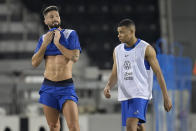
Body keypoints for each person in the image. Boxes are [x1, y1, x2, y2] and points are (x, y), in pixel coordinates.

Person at [104, 19, 172, 131]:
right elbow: (115, 72)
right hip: (125, 95)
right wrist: (108, 86)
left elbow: (159, 73)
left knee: (130, 126)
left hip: (140, 94)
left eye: (122, 32)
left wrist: (166, 97)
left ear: (131, 32)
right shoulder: (117, 50)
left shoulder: (146, 49)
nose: (118, 35)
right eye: (118, 32)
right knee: (138, 127)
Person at [32, 5, 81, 131]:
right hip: (48, 87)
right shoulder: (43, 39)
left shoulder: (70, 34)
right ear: (45, 21)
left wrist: (58, 44)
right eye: (51, 17)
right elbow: (34, 63)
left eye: (57, 16)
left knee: (74, 127)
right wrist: (44, 45)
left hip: (66, 87)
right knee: (53, 126)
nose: (55, 18)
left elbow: (75, 57)